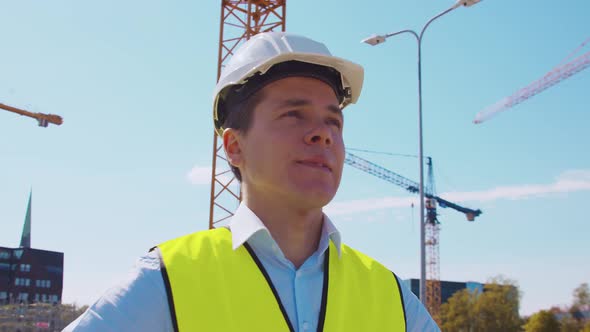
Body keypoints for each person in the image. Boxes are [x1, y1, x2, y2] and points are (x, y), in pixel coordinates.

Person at [65, 32, 439, 332]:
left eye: (334, 122)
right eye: (294, 114)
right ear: (234, 146)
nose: (322, 135)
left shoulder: (391, 296)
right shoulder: (165, 281)